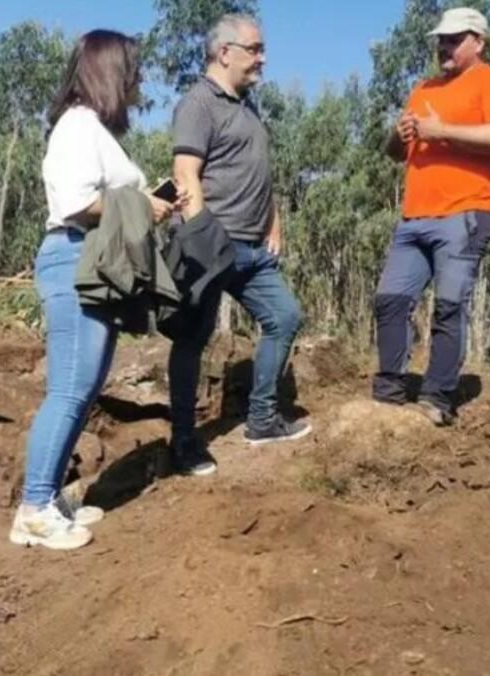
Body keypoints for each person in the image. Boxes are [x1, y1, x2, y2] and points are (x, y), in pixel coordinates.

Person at [12, 29, 183, 551]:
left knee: (81, 388)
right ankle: (34, 509)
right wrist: (141, 205)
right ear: (112, 71)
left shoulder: (93, 130)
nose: (140, 81)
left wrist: (142, 202)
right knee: (68, 387)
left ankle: (50, 498)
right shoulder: (78, 125)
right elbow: (76, 202)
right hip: (72, 257)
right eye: (134, 70)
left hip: (90, 261)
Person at [167, 13, 312, 475]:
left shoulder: (247, 107)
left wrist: (274, 222)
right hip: (214, 243)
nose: (262, 58)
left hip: (253, 249)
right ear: (224, 52)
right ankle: (184, 443)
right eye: (255, 49)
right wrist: (202, 236)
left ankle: (262, 420)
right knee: (193, 338)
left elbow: (259, 172)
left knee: (285, 317)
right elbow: (185, 174)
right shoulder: (198, 104)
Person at [371, 7, 490, 426]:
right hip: (414, 215)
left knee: (450, 305)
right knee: (390, 299)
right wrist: (397, 138)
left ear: (479, 42)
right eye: (442, 39)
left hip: (466, 212)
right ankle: (388, 393)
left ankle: (437, 398)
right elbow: (395, 152)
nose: (444, 47)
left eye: (454, 39)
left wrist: (444, 132)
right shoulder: (422, 88)